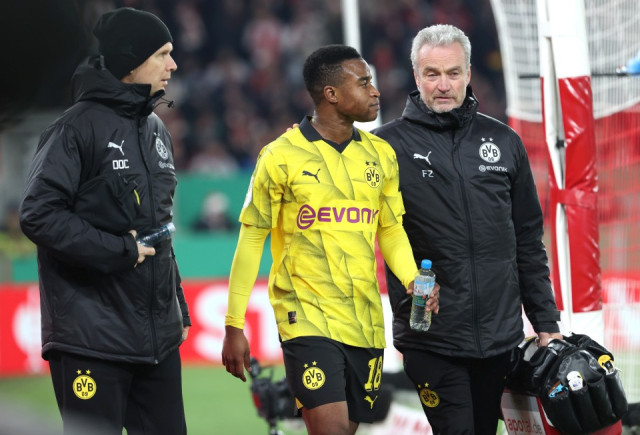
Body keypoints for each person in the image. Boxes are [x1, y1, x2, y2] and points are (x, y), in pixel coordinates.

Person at [221, 45, 439, 435]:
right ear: (331, 94)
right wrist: (234, 325)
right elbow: (252, 240)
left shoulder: (381, 155)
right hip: (305, 316)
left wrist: (412, 279)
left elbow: (390, 230)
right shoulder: (280, 156)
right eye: (364, 83)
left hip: (365, 319)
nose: (375, 91)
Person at [372, 24, 563, 434]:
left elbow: (528, 242)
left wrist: (546, 323)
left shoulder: (504, 141)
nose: (443, 85)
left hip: (500, 338)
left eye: (453, 73)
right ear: (416, 75)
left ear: (469, 73)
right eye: (432, 74)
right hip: (431, 338)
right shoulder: (384, 147)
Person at [19, 8, 190, 435]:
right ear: (131, 60)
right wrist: (119, 250)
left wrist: (178, 306)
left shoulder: (156, 129)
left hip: (158, 341)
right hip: (91, 338)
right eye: (162, 54)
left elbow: (160, 228)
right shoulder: (74, 128)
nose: (173, 65)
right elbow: (39, 214)